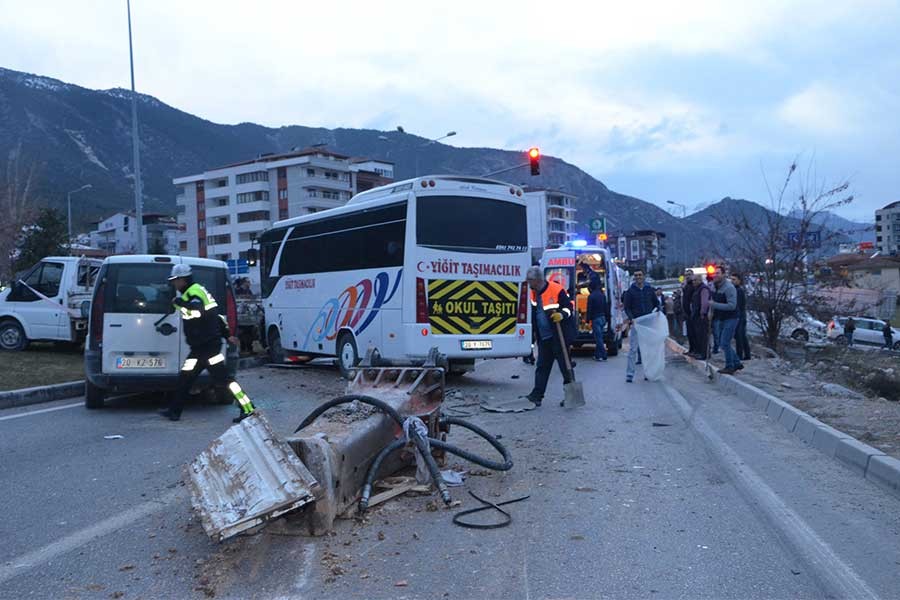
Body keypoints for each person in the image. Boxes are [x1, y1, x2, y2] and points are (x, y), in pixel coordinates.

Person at [160, 264, 256, 422]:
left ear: (183, 279)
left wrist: (179, 302)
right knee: (185, 378)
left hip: (207, 348)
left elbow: (199, 310)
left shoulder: (194, 293)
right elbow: (216, 317)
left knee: (224, 380)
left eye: (175, 280)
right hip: (200, 347)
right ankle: (174, 411)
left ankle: (248, 408)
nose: (174, 284)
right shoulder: (194, 292)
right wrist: (226, 335)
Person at [523, 266, 576, 406]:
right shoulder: (534, 293)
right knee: (542, 367)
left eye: (529, 280)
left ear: (537, 280)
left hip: (559, 336)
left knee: (566, 367)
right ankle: (537, 395)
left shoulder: (557, 289)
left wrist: (562, 314)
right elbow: (536, 313)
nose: (527, 283)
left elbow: (570, 307)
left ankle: (571, 396)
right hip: (544, 337)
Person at [623, 270, 659, 383]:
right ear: (634, 278)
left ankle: (648, 373)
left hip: (648, 324)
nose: (638, 277)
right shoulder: (630, 292)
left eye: (640, 275)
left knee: (648, 349)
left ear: (643, 277)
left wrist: (657, 312)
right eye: (636, 275)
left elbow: (656, 304)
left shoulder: (649, 290)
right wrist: (631, 318)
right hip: (636, 323)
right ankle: (629, 374)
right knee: (633, 349)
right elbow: (627, 307)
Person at [710, 266, 742, 375]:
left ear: (724, 274)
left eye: (718, 273)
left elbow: (732, 305)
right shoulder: (714, 287)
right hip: (720, 318)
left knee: (724, 342)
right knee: (722, 342)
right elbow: (712, 301)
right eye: (715, 273)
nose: (716, 275)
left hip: (731, 317)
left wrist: (715, 305)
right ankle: (737, 363)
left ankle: (729, 366)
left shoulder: (729, 287)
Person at [587, 280, 609, 361]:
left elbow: (589, 309)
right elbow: (606, 307)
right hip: (603, 318)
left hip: (596, 319)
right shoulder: (602, 295)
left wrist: (587, 320)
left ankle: (604, 355)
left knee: (598, 338)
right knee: (599, 337)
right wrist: (607, 318)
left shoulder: (591, 296)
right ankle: (597, 355)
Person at [691, 272, 711, 359]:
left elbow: (704, 302)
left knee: (703, 336)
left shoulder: (703, 289)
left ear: (700, 280)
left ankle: (704, 354)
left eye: (695, 280)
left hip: (701, 316)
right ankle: (700, 352)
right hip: (696, 316)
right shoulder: (697, 289)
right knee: (698, 335)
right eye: (693, 280)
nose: (693, 282)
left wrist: (702, 313)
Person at [732, 273, 751, 361]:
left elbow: (738, 305)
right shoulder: (736, 290)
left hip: (739, 316)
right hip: (740, 315)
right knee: (742, 336)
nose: (732, 281)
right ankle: (747, 355)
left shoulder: (738, 291)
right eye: (731, 279)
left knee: (739, 336)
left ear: (739, 281)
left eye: (734, 279)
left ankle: (739, 355)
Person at [682, 272, 697, 354]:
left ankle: (695, 350)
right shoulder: (686, 286)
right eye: (686, 274)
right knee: (689, 333)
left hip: (692, 313)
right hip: (686, 313)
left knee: (694, 333)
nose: (687, 276)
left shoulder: (693, 286)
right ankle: (691, 349)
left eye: (689, 274)